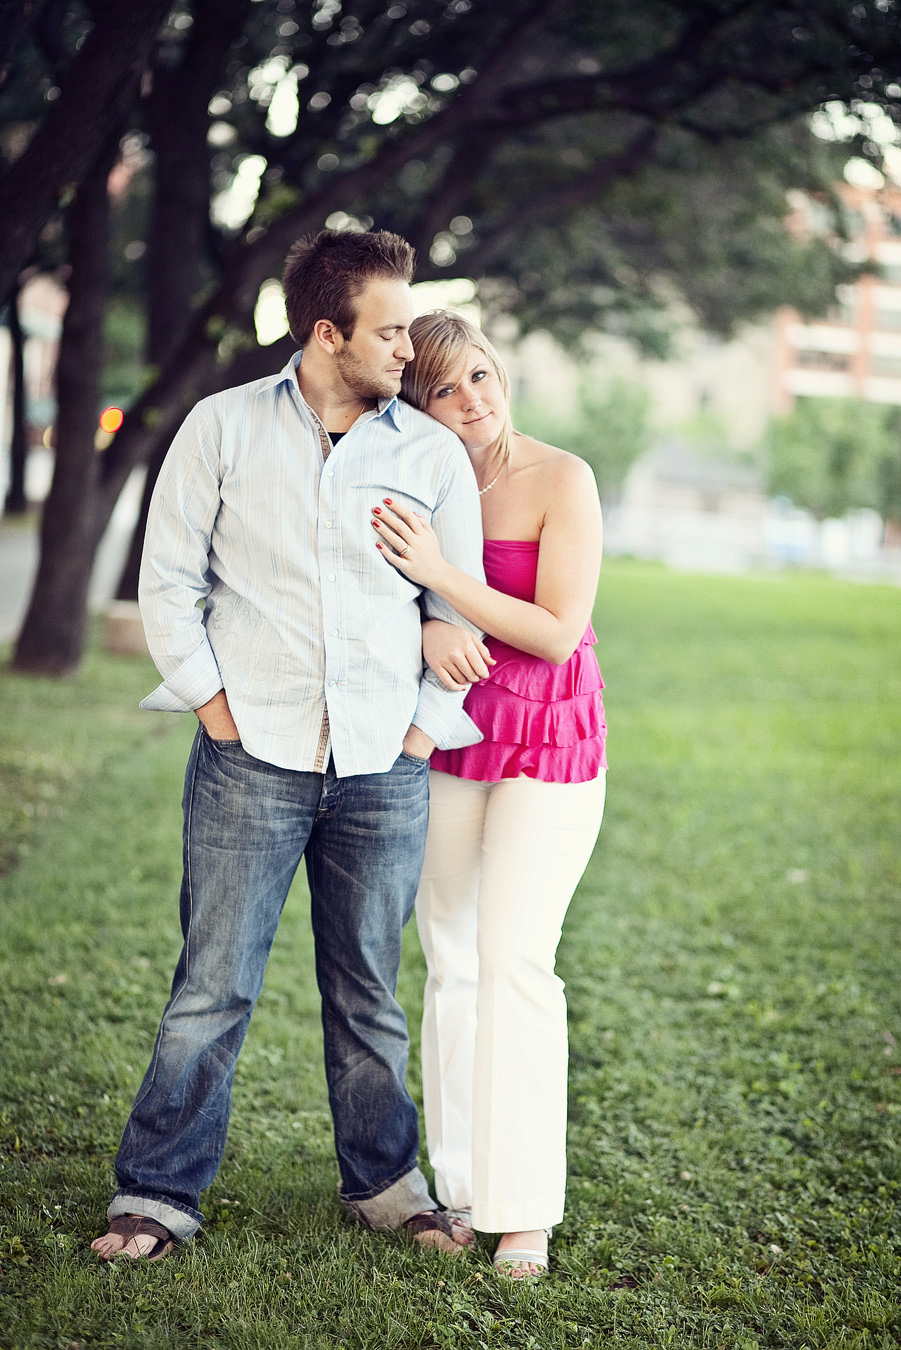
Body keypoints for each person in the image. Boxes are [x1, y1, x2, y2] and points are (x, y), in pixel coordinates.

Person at [91, 232, 489, 1263]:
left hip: (382, 768)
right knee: (211, 987)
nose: (411, 350)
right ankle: (159, 1195)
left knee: (368, 991)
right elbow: (168, 579)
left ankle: (387, 1186)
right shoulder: (221, 428)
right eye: (391, 330)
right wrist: (215, 708)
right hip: (248, 756)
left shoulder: (430, 454)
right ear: (326, 332)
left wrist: (414, 735)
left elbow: (458, 602)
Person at [370, 310, 607, 1278]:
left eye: (480, 377)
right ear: (416, 406)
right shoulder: (413, 480)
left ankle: (524, 1212)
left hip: (547, 734)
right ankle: (461, 1185)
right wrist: (428, 624)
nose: (472, 400)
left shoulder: (562, 478)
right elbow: (372, 595)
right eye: (444, 390)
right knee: (452, 961)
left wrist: (441, 581)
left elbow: (556, 631)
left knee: (515, 962)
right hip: (450, 733)